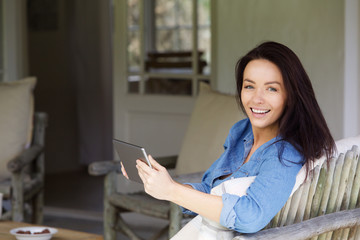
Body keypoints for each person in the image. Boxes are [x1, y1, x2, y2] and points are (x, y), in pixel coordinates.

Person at [133, 41, 336, 238]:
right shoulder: (242, 132)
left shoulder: (284, 153)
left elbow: (251, 217)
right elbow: (210, 188)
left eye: (271, 89)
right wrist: (163, 183)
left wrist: (172, 191)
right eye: (249, 86)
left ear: (290, 96)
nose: (257, 99)